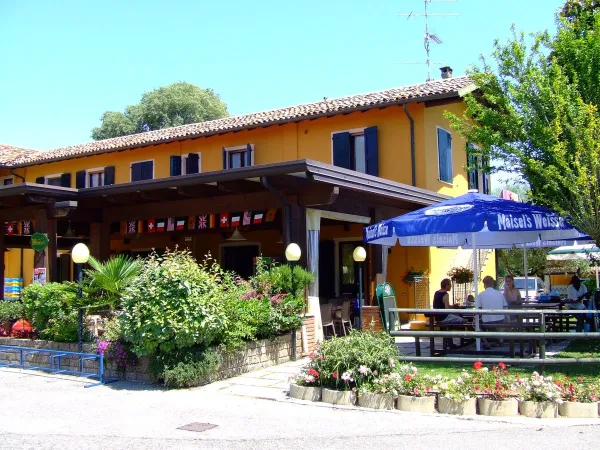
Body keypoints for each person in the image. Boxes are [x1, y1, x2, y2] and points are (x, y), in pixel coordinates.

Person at [476, 276, 507, 350]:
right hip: (500, 321)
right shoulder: (499, 294)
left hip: (486, 322)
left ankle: (486, 343)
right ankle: (500, 340)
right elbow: (505, 307)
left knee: (476, 324)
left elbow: (478, 309)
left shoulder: (481, 295)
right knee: (502, 321)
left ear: (484, 284)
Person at [432, 278, 458, 349]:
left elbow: (443, 305)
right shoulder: (445, 294)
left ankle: (450, 344)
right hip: (444, 317)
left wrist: (452, 306)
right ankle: (469, 338)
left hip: (437, 317)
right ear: (446, 285)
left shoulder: (436, 293)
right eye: (450, 285)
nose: (451, 287)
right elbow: (447, 309)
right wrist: (454, 308)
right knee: (464, 320)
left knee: (448, 326)